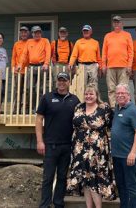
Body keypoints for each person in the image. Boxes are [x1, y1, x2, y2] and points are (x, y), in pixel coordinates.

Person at [35, 72, 81, 208]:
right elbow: (38, 119)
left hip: (67, 146)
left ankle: (58, 203)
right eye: (59, 80)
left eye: (64, 80)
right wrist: (39, 141)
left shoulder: (75, 100)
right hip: (50, 145)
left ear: (68, 82)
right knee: (48, 177)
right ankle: (44, 205)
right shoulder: (47, 98)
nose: (61, 83)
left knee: (62, 177)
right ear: (57, 82)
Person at [67, 85, 116, 207]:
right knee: (85, 180)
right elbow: (73, 125)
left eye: (91, 94)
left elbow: (112, 126)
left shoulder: (104, 108)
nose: (88, 96)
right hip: (80, 149)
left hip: (97, 151)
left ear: (96, 95)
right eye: (86, 94)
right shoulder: (78, 107)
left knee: (95, 180)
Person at [111, 84, 136, 208]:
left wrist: (133, 152)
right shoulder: (117, 109)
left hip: (128, 156)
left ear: (128, 95)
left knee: (131, 187)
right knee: (121, 185)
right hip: (117, 155)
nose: (119, 95)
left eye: (122, 93)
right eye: (118, 93)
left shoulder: (133, 110)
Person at [102, 15, 133, 107]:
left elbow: (131, 52)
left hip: (124, 66)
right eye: (115, 22)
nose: (116, 24)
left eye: (118, 22)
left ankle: (124, 107)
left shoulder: (127, 35)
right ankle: (113, 108)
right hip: (110, 67)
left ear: (122, 23)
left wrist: (129, 65)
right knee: (111, 89)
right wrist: (103, 65)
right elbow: (104, 52)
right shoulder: (108, 36)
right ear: (112, 23)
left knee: (123, 89)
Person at [18, 25, 51, 111]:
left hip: (42, 66)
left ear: (41, 33)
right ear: (32, 33)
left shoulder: (45, 41)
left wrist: (46, 63)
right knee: (29, 88)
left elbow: (48, 53)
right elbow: (24, 54)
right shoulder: (29, 42)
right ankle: (31, 108)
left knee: (40, 89)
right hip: (31, 67)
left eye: (38, 32)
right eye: (35, 32)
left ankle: (39, 108)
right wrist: (20, 64)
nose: (37, 34)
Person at [69, 25, 102, 89]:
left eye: (87, 30)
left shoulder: (95, 42)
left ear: (91, 32)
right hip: (82, 65)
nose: (85, 32)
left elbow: (98, 57)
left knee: (94, 85)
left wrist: (100, 67)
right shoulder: (78, 42)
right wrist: (70, 63)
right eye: (84, 31)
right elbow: (74, 55)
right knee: (81, 84)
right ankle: (81, 99)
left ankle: (93, 98)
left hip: (93, 65)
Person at [11, 26, 29, 113]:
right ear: (19, 34)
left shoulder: (30, 42)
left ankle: (26, 109)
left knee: (27, 90)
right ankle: (16, 109)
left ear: (28, 33)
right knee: (18, 90)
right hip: (18, 72)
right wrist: (13, 68)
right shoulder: (16, 44)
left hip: (28, 71)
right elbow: (13, 57)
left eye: (25, 32)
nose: (23, 34)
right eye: (22, 32)